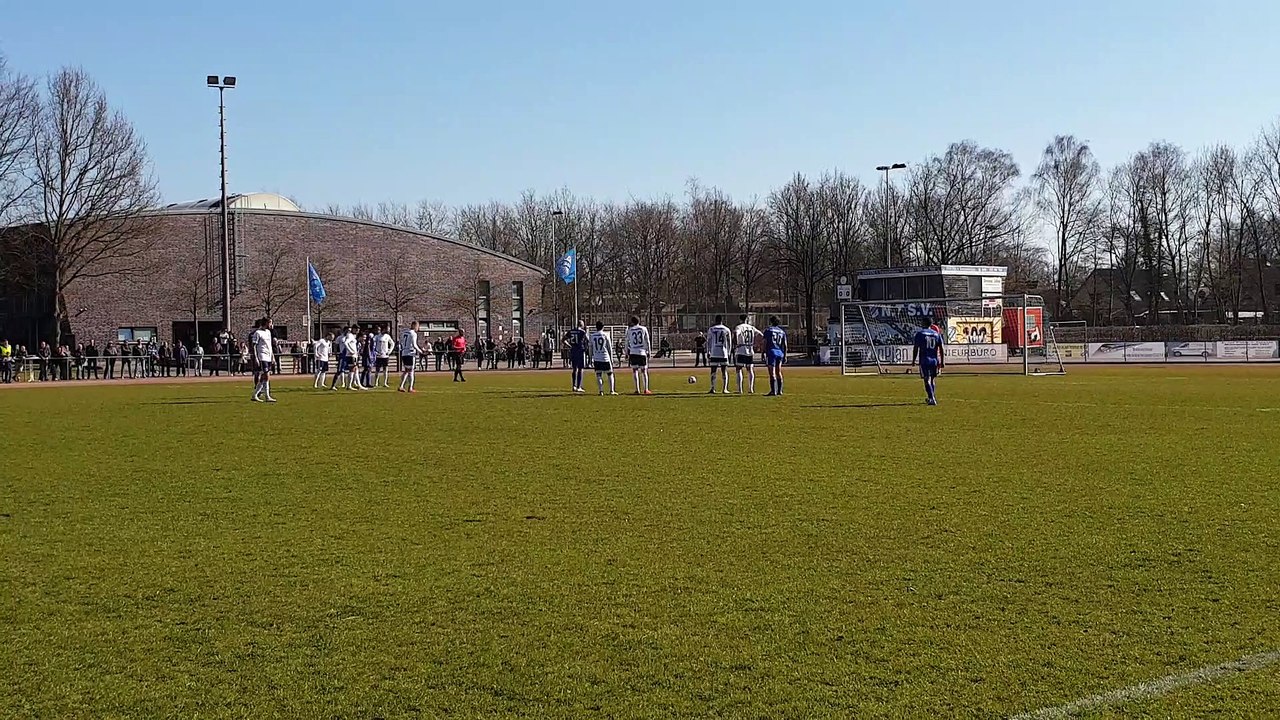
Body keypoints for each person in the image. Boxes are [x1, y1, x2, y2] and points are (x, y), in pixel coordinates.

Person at [911, 318, 945, 406]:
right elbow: (941, 348)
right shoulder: (936, 334)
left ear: (923, 323)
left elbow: (916, 348)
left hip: (925, 360)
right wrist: (942, 361)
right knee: (932, 379)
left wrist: (914, 360)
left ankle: (932, 398)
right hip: (934, 360)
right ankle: (931, 397)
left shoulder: (920, 334)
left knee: (926, 379)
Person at [733, 314, 763, 394]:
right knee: (750, 369)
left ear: (740, 319)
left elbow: (736, 333)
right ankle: (751, 388)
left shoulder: (739, 327)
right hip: (750, 349)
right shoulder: (751, 327)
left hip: (741, 349)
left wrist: (736, 343)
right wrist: (757, 344)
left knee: (739, 369)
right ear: (747, 319)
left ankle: (740, 389)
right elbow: (760, 335)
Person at [250, 318, 277, 402]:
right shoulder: (257, 333)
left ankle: (255, 395)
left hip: (268, 356)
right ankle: (267, 396)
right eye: (270, 323)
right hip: (262, 356)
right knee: (266, 376)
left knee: (264, 377)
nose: (271, 325)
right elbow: (254, 346)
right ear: (266, 323)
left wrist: (272, 356)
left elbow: (270, 346)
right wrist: (256, 358)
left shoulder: (268, 332)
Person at [589, 320, 617, 396]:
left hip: (597, 358)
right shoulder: (606, 335)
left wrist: (590, 358)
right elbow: (609, 348)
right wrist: (611, 359)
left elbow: (590, 348)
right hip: (605, 357)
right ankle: (612, 391)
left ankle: (601, 391)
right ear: (603, 327)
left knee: (598, 375)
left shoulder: (592, 336)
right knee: (610, 374)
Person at [625, 316, 652, 395]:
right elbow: (647, 341)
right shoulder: (643, 329)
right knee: (644, 371)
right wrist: (649, 351)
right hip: (642, 352)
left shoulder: (629, 330)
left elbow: (626, 342)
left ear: (632, 322)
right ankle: (646, 389)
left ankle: (637, 389)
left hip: (633, 352)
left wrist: (626, 352)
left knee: (635, 371)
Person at [705, 316, 732, 394]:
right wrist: (729, 353)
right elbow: (729, 342)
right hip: (723, 353)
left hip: (714, 352)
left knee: (713, 371)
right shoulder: (726, 329)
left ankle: (713, 388)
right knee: (724, 371)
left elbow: (708, 341)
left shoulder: (711, 329)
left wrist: (708, 351)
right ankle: (725, 389)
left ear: (715, 320)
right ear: (722, 321)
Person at [764, 316, 788, 397]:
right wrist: (785, 355)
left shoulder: (768, 330)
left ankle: (773, 391)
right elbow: (785, 345)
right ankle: (780, 391)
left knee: (772, 372)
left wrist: (763, 352)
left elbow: (765, 342)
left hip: (771, 352)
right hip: (780, 352)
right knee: (779, 372)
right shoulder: (782, 332)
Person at [399, 321, 426, 393]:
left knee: (406, 370)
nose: (418, 328)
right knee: (411, 371)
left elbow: (401, 342)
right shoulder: (413, 333)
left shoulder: (404, 332)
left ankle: (401, 386)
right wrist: (421, 351)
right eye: (417, 326)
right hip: (410, 353)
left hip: (404, 353)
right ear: (414, 326)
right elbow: (414, 344)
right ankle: (410, 387)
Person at [564, 320, 589, 393]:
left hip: (573, 351)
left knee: (574, 369)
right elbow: (587, 340)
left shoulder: (571, 331)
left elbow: (563, 339)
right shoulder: (582, 332)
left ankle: (573, 386)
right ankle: (578, 386)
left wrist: (569, 346)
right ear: (581, 325)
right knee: (580, 369)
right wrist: (586, 348)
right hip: (580, 351)